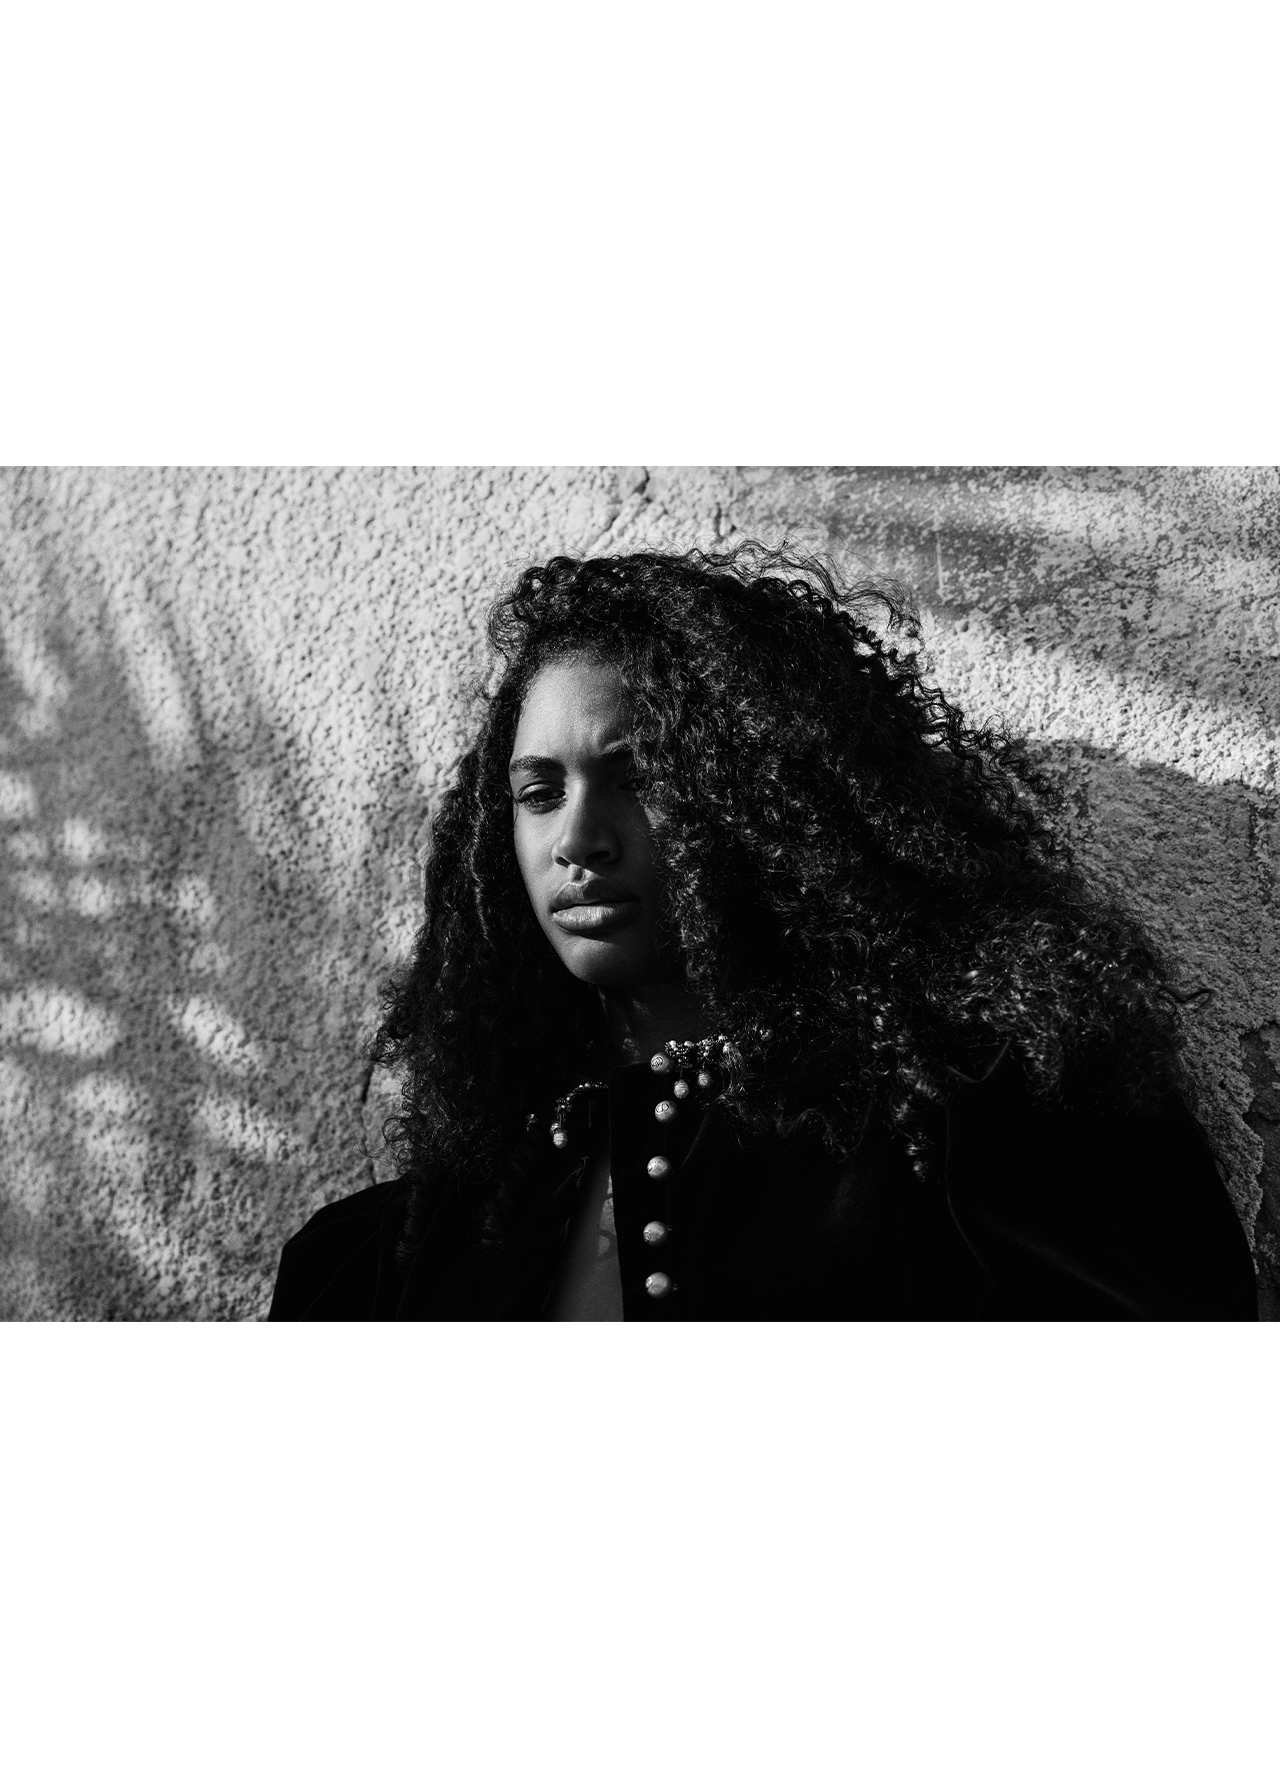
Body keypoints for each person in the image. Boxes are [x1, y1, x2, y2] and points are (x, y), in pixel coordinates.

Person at [268, 546, 1258, 1320]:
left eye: (640, 777)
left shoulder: (983, 1123)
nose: (576, 839)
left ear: (765, 798)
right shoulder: (391, 1256)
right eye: (538, 793)